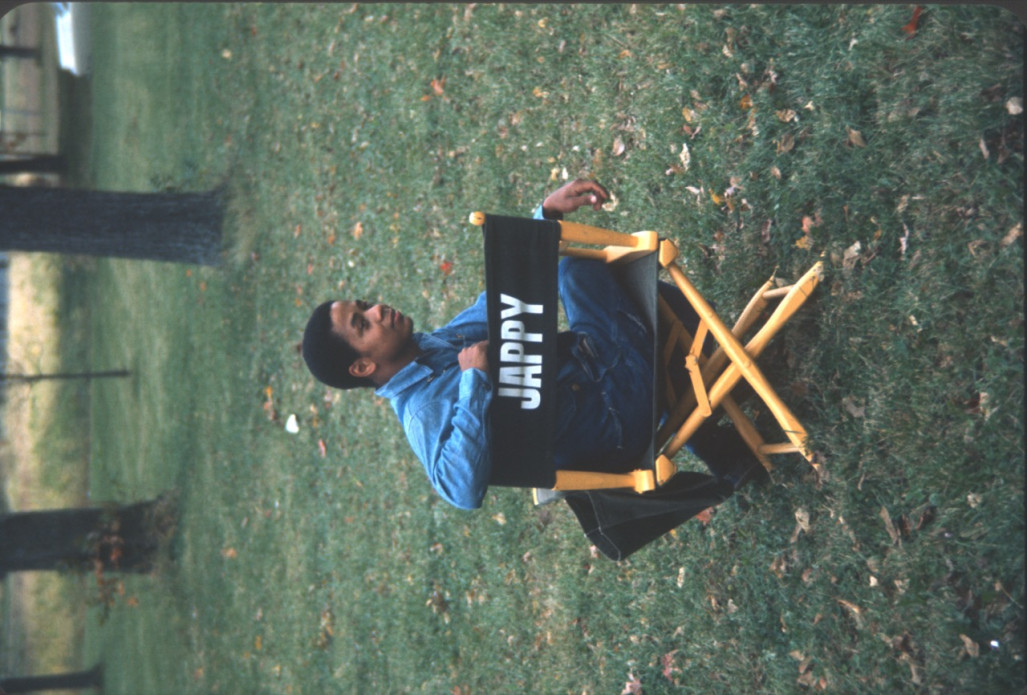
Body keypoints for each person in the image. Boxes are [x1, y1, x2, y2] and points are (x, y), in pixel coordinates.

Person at [302, 179, 762, 513]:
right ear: (362, 368)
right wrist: (473, 382)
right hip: (615, 416)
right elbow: (460, 492)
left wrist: (546, 218)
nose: (379, 309)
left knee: (577, 270)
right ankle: (714, 370)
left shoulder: (431, 347)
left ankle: (710, 407)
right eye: (363, 323)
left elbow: (504, 300)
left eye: (366, 304)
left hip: (601, 378)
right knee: (577, 273)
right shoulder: (422, 412)